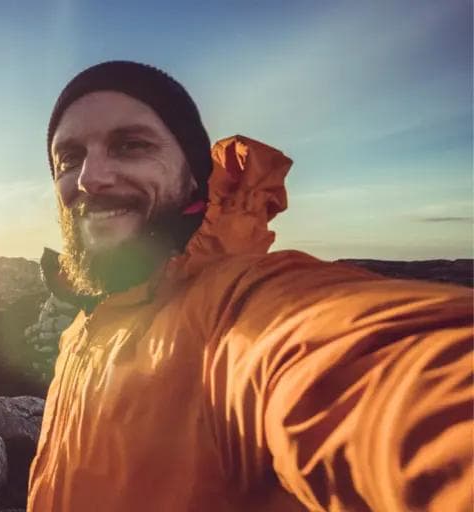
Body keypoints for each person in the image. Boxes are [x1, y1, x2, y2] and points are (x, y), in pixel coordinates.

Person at [27, 61, 472, 512]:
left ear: (194, 176)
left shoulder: (236, 310)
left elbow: (369, 369)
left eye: (131, 146)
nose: (90, 178)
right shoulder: (84, 327)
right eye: (70, 158)